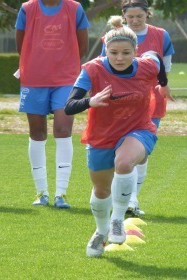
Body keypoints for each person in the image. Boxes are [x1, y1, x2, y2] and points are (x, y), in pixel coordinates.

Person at [64, 18, 168, 257]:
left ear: (135, 52)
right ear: (106, 51)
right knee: (101, 191)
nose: (120, 58)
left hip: (139, 128)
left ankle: (118, 220)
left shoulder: (146, 66)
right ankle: (101, 231)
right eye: (114, 53)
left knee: (124, 163)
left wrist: (163, 82)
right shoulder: (92, 69)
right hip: (101, 137)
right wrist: (90, 101)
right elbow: (69, 106)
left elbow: (156, 56)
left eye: (126, 53)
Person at [100, 0, 175, 217]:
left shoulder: (161, 36)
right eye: (130, 17)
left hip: (151, 101)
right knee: (120, 151)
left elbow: (165, 68)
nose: (134, 21)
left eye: (139, 17)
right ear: (124, 16)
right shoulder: (112, 36)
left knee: (140, 153)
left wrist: (163, 87)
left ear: (147, 15)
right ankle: (124, 199)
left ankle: (132, 200)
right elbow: (102, 68)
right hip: (119, 103)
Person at [15, 0, 90, 208]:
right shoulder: (27, 8)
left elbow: (82, 46)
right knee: (37, 132)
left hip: (66, 79)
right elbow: (20, 45)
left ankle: (61, 194)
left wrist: (64, 64)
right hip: (33, 79)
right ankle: (41, 192)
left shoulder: (74, 8)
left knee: (63, 129)